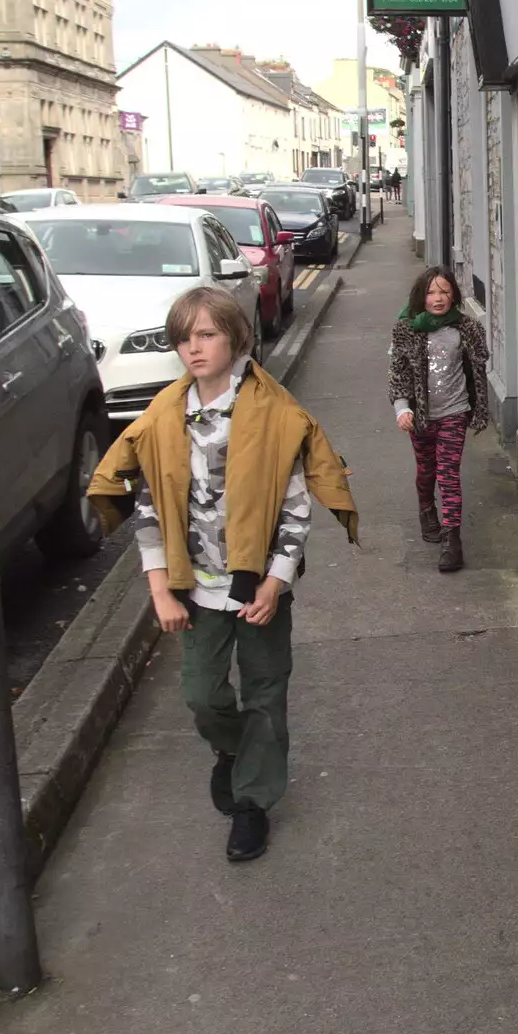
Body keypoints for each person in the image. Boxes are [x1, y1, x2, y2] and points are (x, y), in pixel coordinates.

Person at [87, 287, 358, 863]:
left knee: (264, 692)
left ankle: (252, 805)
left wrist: (275, 581)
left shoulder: (274, 414)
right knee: (203, 696)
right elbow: (149, 506)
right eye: (184, 337)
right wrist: (161, 588)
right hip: (196, 587)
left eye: (206, 334)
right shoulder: (164, 414)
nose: (193, 348)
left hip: (258, 586)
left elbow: (295, 506)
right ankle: (232, 752)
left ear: (235, 337)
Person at [388, 266, 490, 571]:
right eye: (432, 292)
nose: (438, 298)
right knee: (426, 472)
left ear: (453, 295)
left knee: (448, 475)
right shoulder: (406, 329)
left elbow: (477, 370)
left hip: (454, 413)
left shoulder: (466, 329)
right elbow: (398, 373)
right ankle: (426, 509)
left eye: (445, 291)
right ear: (421, 296)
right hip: (420, 418)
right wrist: (402, 408)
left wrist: (477, 406)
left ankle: (452, 541)